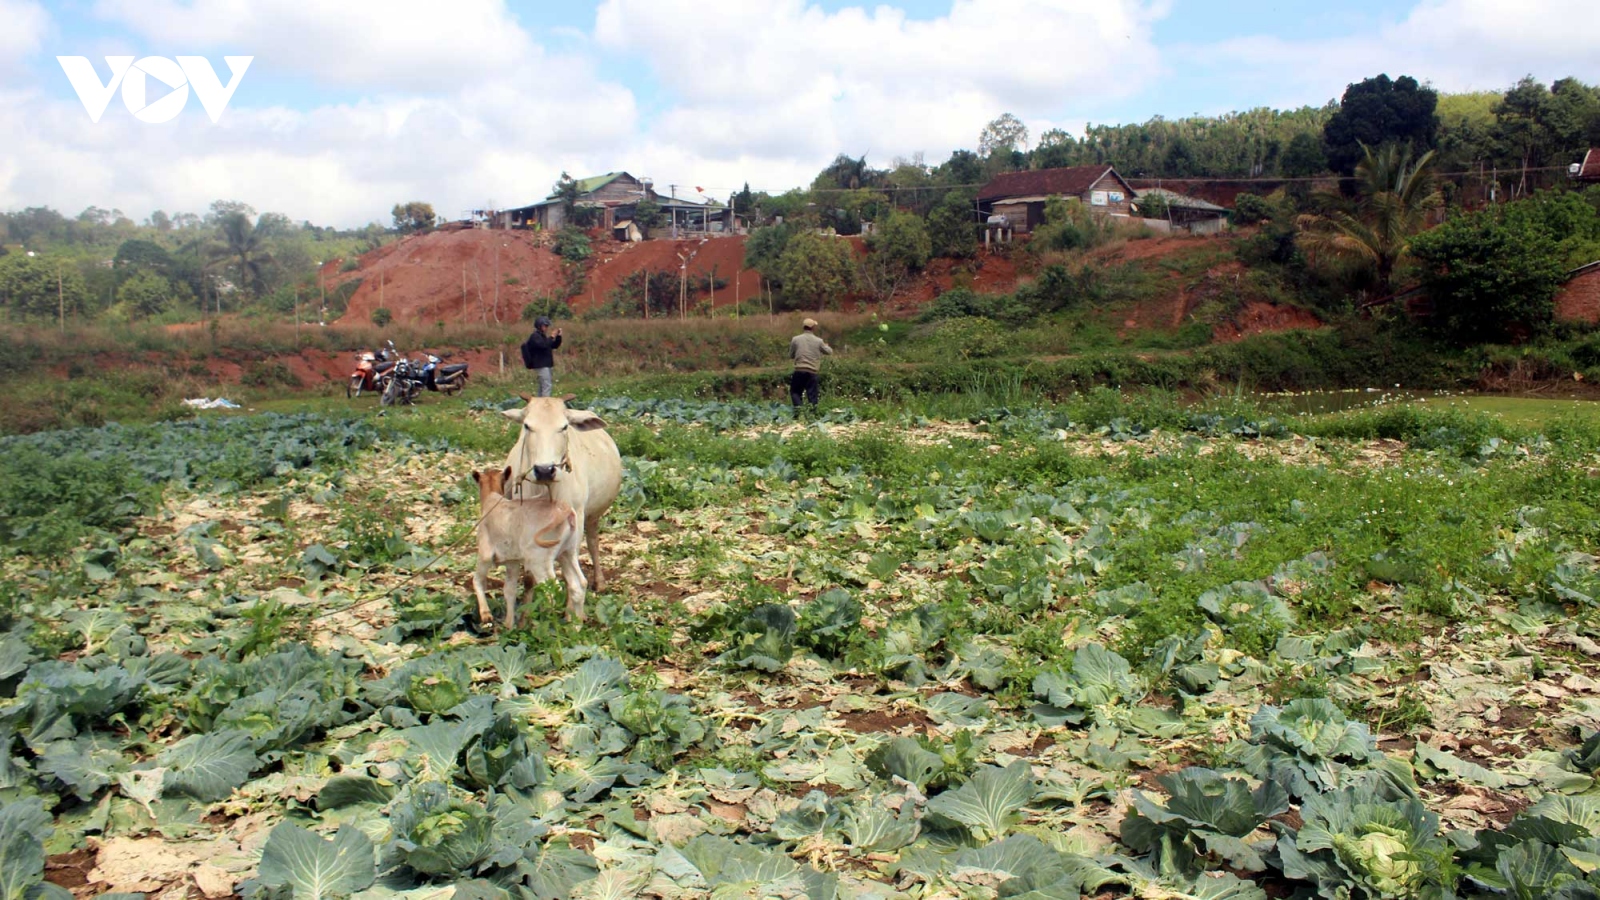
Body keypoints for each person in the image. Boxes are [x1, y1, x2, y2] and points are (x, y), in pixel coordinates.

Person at [788, 317, 832, 413]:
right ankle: (812, 415)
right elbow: (829, 352)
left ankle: (799, 411)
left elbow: (790, 355)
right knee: (812, 394)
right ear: (813, 328)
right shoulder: (819, 341)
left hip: (799, 370)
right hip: (812, 371)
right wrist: (827, 346)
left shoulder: (795, 339)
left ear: (803, 327)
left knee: (795, 392)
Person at [520, 316, 563, 397]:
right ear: (539, 326)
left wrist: (558, 337)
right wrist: (552, 336)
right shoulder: (535, 336)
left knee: (542, 387)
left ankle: (539, 405)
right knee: (547, 386)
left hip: (546, 365)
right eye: (545, 326)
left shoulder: (542, 337)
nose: (546, 328)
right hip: (541, 365)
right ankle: (545, 405)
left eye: (547, 326)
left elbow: (553, 345)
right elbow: (543, 345)